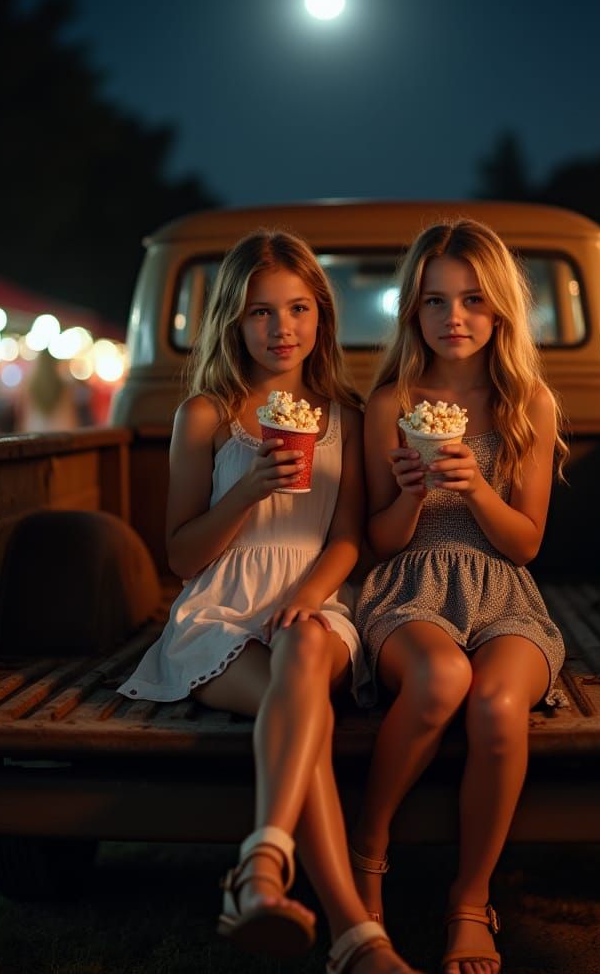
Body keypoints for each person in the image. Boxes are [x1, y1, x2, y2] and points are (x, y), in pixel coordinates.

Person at [117, 231, 419, 974]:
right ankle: (352, 933)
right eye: (261, 312)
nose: (281, 328)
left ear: (321, 316)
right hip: (219, 609)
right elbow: (181, 556)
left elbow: (348, 539)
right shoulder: (206, 415)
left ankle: (261, 870)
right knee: (304, 716)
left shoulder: (345, 416)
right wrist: (247, 490)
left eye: (297, 309)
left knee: (305, 650)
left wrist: (310, 597)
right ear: (234, 321)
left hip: (312, 600)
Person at [349, 219, 567, 974]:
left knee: (499, 703)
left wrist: (475, 488)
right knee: (442, 677)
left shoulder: (527, 401)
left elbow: (526, 543)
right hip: (410, 585)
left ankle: (470, 900)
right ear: (413, 310)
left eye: (473, 299)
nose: (455, 318)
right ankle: (367, 851)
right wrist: (411, 496)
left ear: (500, 308)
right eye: (435, 301)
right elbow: (379, 541)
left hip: (503, 589)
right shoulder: (391, 403)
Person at [21, 349, 78, 432]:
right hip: (60, 430)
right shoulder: (63, 385)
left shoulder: (30, 386)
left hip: (35, 430)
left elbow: (24, 416)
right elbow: (70, 416)